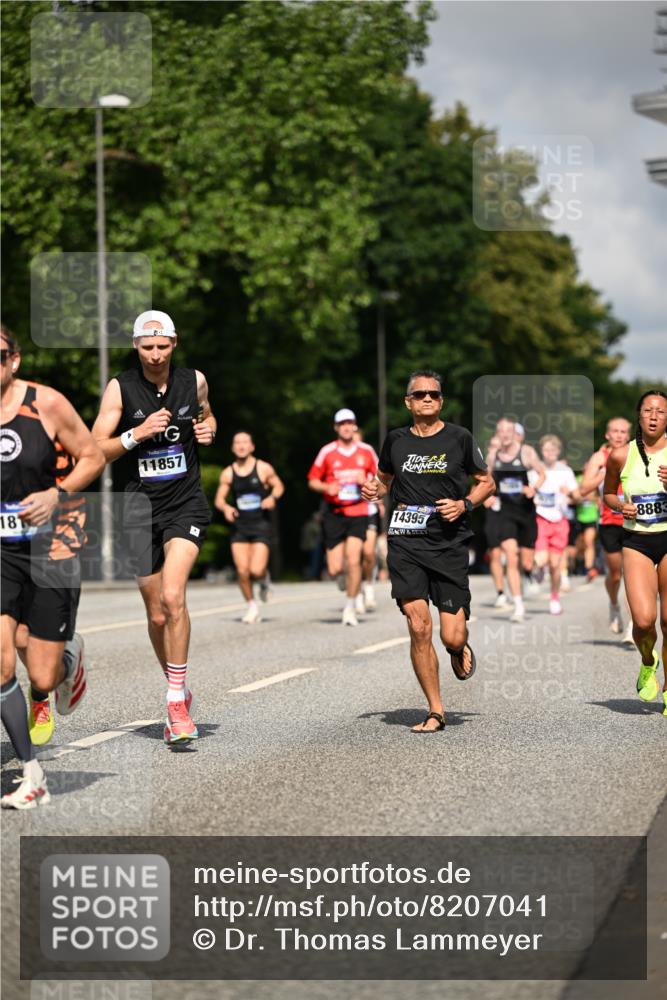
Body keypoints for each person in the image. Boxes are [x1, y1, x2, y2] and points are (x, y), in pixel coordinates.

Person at [92, 310, 216, 745]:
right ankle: (178, 685)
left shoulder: (193, 380)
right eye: (148, 347)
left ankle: (175, 702)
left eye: (163, 346)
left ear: (175, 344)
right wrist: (136, 434)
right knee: (156, 612)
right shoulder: (120, 388)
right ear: (136, 347)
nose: (156, 355)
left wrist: (209, 430)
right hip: (137, 510)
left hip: (185, 503)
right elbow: (93, 450)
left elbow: (207, 414)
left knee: (172, 595)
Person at [1, 325, 104, 807]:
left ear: (14, 360)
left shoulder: (47, 404)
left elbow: (93, 456)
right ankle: (32, 773)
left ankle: (66, 661)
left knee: (40, 676)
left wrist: (55, 494)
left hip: (52, 544)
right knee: (2, 659)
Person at [362, 370, 494, 732]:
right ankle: (436, 710)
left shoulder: (460, 439)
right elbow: (385, 481)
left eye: (434, 394)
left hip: (449, 544)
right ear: (408, 401)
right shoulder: (395, 441)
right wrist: (375, 490)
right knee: (419, 626)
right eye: (419, 394)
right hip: (405, 542)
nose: (427, 399)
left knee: (451, 634)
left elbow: (486, 482)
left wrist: (465, 504)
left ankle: (457, 648)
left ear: (441, 401)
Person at [603, 391, 667, 713]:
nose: (654, 416)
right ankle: (647, 660)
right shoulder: (619, 455)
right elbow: (608, 494)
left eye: (661, 412)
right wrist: (620, 506)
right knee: (644, 621)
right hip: (637, 540)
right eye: (648, 411)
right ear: (638, 416)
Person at [307, 409, 377, 626]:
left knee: (354, 559)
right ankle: (344, 580)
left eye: (350, 423)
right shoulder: (327, 452)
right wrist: (328, 487)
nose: (346, 427)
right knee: (336, 567)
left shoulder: (366, 451)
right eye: (342, 424)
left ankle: (350, 607)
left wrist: (365, 479)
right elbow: (312, 480)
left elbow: (381, 478)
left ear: (354, 426)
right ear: (336, 428)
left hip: (358, 511)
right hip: (334, 514)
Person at [214, 431, 284, 623]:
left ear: (252, 446)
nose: (241, 446)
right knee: (242, 570)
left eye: (245, 442)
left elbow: (279, 486)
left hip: (261, 524)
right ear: (233, 447)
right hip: (240, 526)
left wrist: (272, 498)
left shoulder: (263, 468)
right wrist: (226, 508)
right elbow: (219, 500)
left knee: (256, 570)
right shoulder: (228, 472)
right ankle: (252, 606)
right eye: (237, 442)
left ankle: (264, 579)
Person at [486, 418, 545, 622]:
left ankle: (532, 571)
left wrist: (534, 488)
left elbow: (542, 473)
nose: (505, 434)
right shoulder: (493, 455)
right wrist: (488, 495)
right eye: (501, 430)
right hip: (506, 512)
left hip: (526, 513)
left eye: (508, 430)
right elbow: (485, 479)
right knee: (511, 556)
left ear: (514, 433)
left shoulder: (526, 452)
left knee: (526, 560)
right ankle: (518, 606)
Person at [581, 418, 633, 642]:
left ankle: (633, 625)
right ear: (607, 435)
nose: (619, 435)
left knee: (633, 575)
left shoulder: (635, 454)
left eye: (623, 431)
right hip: (609, 522)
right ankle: (614, 606)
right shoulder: (598, 457)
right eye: (615, 431)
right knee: (614, 574)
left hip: (634, 522)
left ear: (629, 435)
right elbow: (584, 489)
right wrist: (608, 471)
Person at [533, 435, 579, 615]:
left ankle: (554, 597)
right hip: (540, 518)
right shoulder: (535, 470)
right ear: (541, 452)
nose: (549, 453)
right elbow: (529, 491)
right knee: (542, 559)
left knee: (555, 565)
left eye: (553, 450)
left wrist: (570, 494)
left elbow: (577, 497)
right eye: (546, 450)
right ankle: (539, 568)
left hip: (560, 520)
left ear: (558, 452)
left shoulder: (566, 471)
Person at [353, 427, 382, 612]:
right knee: (352, 557)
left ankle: (369, 585)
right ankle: (355, 595)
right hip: (345, 512)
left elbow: (381, 479)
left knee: (369, 553)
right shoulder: (336, 455)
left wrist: (379, 500)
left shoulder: (367, 453)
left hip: (368, 509)